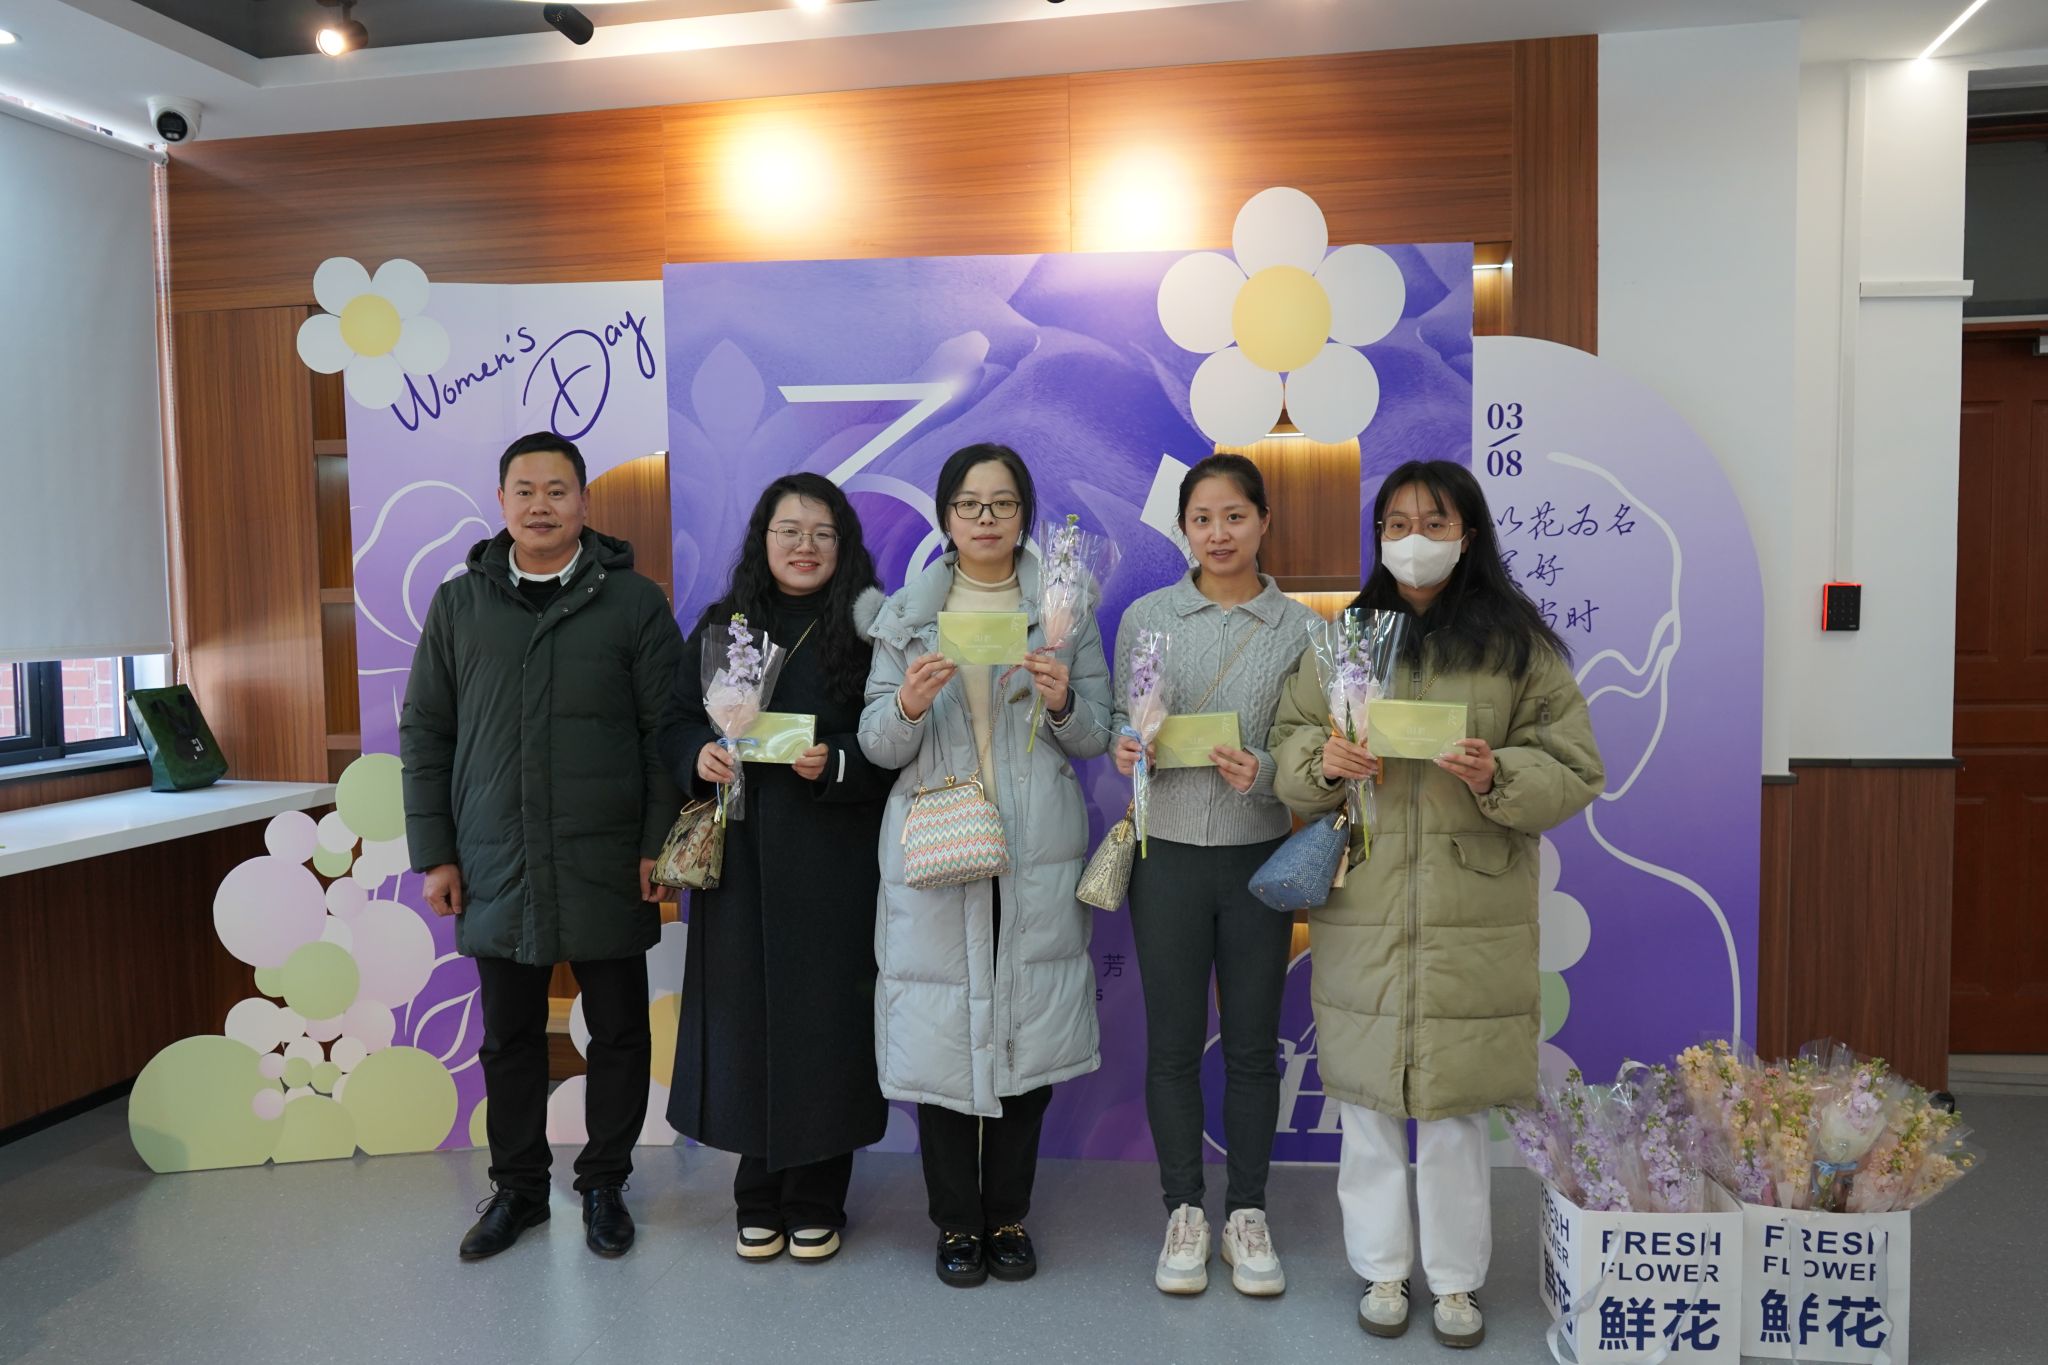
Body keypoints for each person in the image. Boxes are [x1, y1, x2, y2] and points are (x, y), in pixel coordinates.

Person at [1269, 459, 1603, 1348]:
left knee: (1455, 1109)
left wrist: (1498, 772)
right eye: (1396, 524)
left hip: (1474, 907)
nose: (1413, 540)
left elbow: (1575, 767)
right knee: (1369, 1104)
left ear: (1468, 535)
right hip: (1367, 901)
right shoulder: (1345, 638)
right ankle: (1381, 1268)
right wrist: (1321, 763)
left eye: (1434, 523)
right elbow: (1288, 743)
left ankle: (1456, 1283)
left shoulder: (1516, 647)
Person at [401, 431, 682, 1262]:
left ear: (584, 502)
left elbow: (665, 732)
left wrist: (657, 844)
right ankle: (519, 1188)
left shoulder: (635, 603)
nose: (540, 505)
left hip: (607, 856)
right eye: (524, 490)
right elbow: (426, 733)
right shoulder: (460, 606)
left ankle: (604, 1183)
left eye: (557, 490)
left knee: (620, 1032)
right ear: (501, 502)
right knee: (509, 1036)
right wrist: (437, 853)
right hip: (497, 857)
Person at [857, 442, 1112, 1288]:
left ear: (1024, 515)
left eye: (1003, 503)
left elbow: (1098, 732)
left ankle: (1007, 1214)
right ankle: (955, 1222)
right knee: (941, 1034)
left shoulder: (1065, 609)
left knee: (1025, 1033)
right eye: (970, 504)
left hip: (1035, 851)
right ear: (946, 517)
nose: (987, 518)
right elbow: (877, 743)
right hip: (940, 848)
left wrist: (1062, 699)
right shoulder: (907, 617)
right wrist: (908, 702)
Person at [658, 473, 894, 1264]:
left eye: (822, 532)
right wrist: (699, 754)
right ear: (763, 540)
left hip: (835, 862)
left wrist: (839, 761)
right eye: (788, 530)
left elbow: (897, 739)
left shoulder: (871, 631)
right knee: (746, 1026)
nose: (804, 545)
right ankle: (756, 1193)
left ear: (843, 545)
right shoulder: (725, 625)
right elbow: (674, 722)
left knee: (826, 1028)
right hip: (743, 861)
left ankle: (818, 1195)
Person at [1110, 454, 1319, 1297]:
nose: (1219, 533)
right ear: (1184, 528)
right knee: (1170, 1044)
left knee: (1252, 1046)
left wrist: (1264, 769)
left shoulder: (1298, 627)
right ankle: (1184, 1210)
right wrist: (1127, 746)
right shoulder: (1147, 618)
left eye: (1235, 515)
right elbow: (1122, 720)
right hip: (1164, 856)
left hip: (1257, 856)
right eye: (1202, 518)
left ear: (1263, 521)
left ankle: (1247, 1211)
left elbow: (1309, 742)